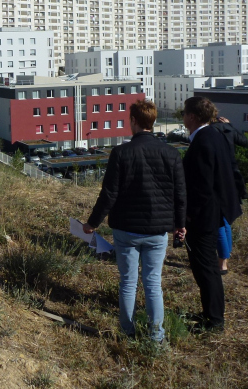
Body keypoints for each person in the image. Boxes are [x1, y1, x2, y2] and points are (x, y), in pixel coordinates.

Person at [83, 100, 186, 343]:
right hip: (158, 230)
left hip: (126, 229)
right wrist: (180, 224)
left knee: (128, 283)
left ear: (133, 121)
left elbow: (109, 193)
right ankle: (156, 337)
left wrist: (92, 223)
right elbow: (180, 195)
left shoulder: (121, 153)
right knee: (153, 284)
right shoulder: (171, 153)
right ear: (153, 121)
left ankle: (127, 333)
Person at [181, 97, 241, 333]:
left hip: (203, 217)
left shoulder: (204, 141)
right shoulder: (214, 135)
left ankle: (214, 321)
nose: (183, 117)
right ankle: (210, 313)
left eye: (185, 114)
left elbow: (202, 187)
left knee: (205, 269)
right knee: (205, 268)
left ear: (193, 117)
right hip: (212, 212)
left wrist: (188, 217)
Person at [209, 115, 248, 274]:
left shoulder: (209, 132)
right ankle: (225, 257)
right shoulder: (227, 129)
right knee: (226, 219)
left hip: (217, 177)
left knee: (219, 220)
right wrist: (231, 125)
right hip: (232, 177)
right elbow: (245, 142)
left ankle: (222, 262)